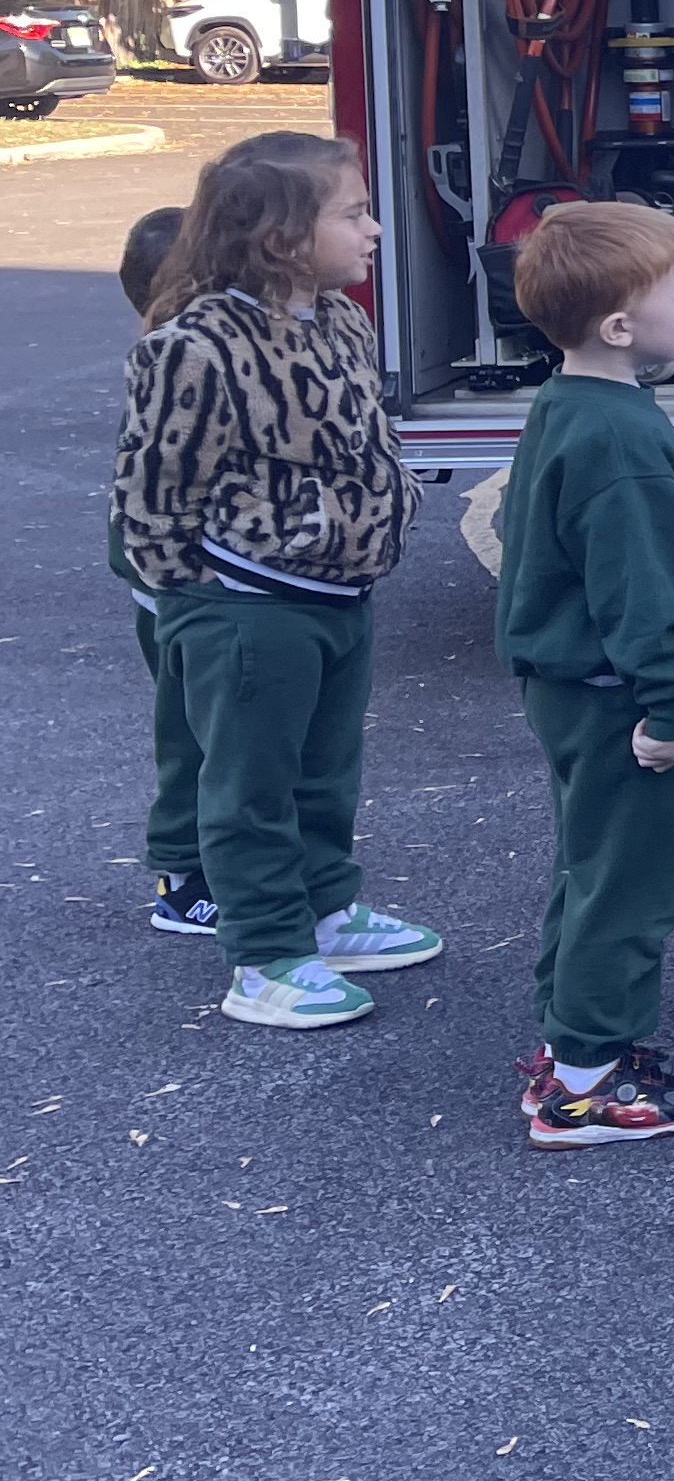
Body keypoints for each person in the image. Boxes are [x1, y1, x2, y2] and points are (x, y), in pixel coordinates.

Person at [116, 135, 434, 1032]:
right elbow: (154, 484)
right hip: (248, 605)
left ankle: (327, 909)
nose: (374, 229)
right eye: (353, 213)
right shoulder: (196, 344)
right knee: (252, 784)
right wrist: (192, 597)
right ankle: (263, 956)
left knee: (324, 770)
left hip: (338, 594)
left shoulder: (339, 318)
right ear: (282, 236)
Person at [494, 202, 674, 1145]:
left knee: (588, 864)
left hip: (570, 687)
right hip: (617, 695)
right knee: (627, 884)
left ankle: (578, 1042)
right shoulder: (623, 441)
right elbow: (640, 587)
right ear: (621, 327)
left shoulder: (567, 405)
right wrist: (671, 703)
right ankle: (586, 1085)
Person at [116, 201, 205, 939]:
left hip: (170, 577)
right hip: (173, 581)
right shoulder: (173, 370)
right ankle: (182, 877)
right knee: (192, 730)